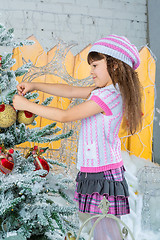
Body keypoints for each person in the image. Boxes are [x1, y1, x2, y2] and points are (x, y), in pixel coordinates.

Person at [13, 34, 142, 240]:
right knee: (100, 228)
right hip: (97, 170)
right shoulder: (106, 90)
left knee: (104, 230)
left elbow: (65, 116)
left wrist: (26, 106)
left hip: (102, 174)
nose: (91, 71)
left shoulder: (109, 95)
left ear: (115, 65)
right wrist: (34, 85)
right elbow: (70, 90)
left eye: (95, 65)